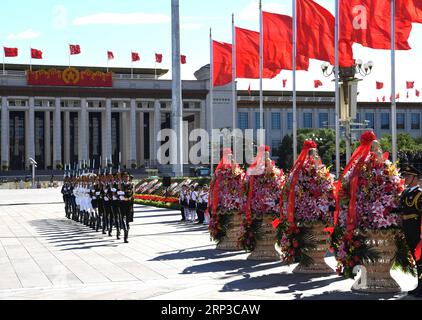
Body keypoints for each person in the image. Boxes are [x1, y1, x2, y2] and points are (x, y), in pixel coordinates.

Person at [399, 164, 422, 297]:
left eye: (408, 176)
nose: (405, 178)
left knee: (420, 258)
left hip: (416, 228)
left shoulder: (419, 193)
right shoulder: (405, 192)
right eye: (405, 175)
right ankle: (419, 285)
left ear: (414, 177)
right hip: (407, 227)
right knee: (415, 257)